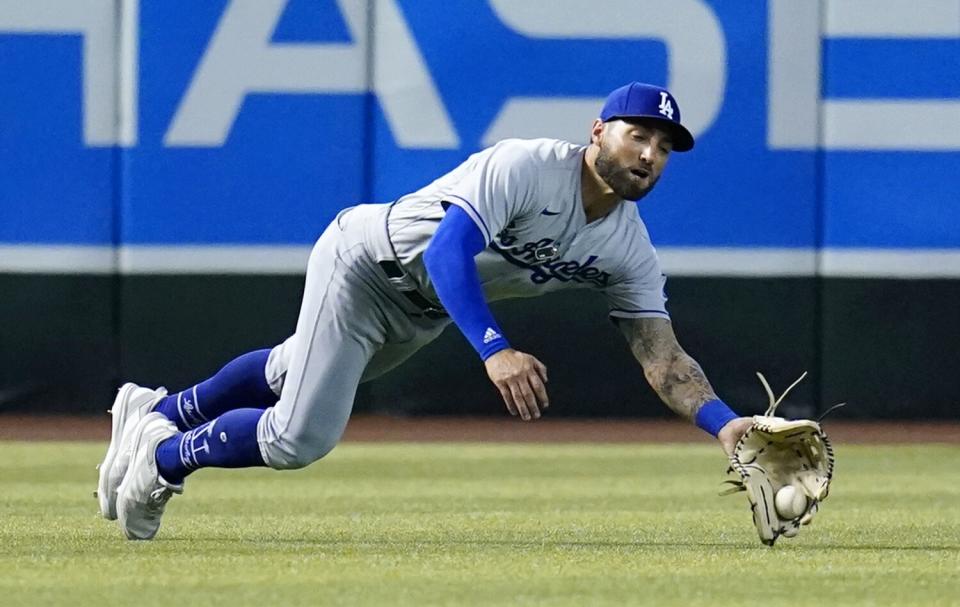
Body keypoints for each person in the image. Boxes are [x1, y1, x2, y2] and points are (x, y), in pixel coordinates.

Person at [97, 82, 753, 540]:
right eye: (639, 135)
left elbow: (663, 359)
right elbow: (448, 252)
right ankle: (164, 458)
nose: (648, 155)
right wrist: (496, 348)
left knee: (292, 367)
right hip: (365, 262)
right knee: (300, 437)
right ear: (599, 131)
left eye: (663, 148)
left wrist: (726, 426)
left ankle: (156, 412)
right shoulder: (528, 165)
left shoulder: (629, 248)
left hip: (422, 313)